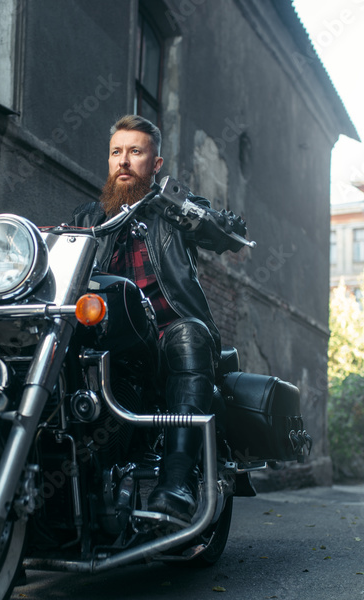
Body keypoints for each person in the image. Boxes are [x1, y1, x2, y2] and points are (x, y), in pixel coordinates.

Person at [72, 114, 245, 522]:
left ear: (156, 163)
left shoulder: (174, 210)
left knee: (188, 335)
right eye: (117, 152)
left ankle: (177, 481)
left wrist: (197, 214)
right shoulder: (88, 217)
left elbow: (224, 233)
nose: (124, 161)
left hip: (167, 332)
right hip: (109, 334)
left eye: (136, 151)